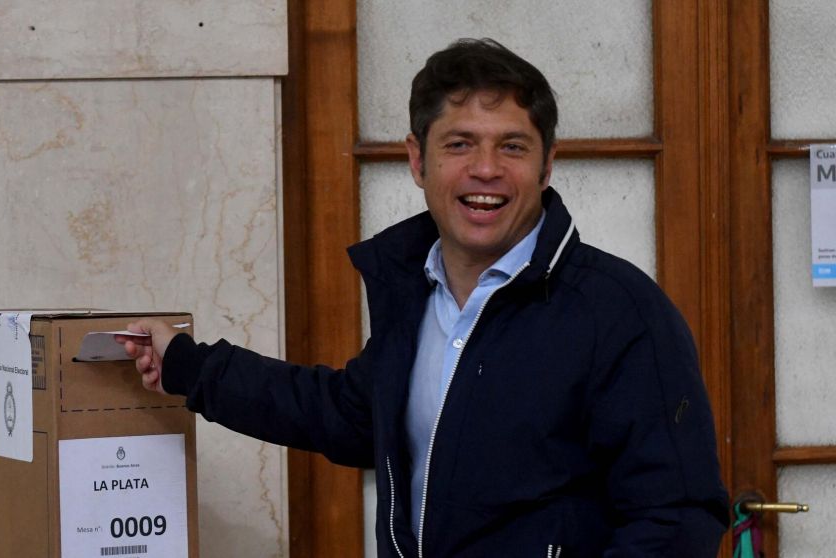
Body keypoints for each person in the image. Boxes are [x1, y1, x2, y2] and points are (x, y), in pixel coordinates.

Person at [117, 38, 729, 557]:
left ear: (547, 165)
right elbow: (346, 414)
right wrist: (188, 366)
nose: (485, 169)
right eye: (459, 144)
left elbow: (677, 519)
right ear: (418, 160)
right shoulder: (415, 295)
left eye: (511, 146)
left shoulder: (620, 311)